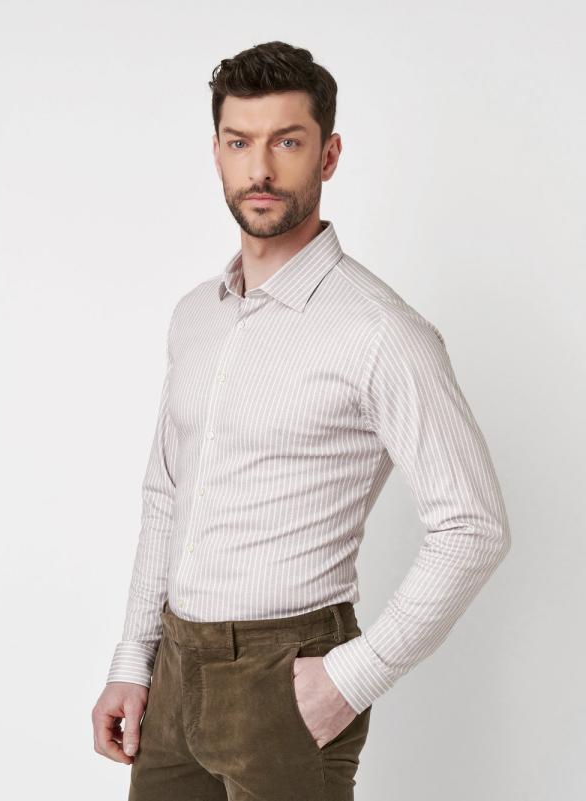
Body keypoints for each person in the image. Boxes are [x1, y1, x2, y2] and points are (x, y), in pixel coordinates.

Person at [91, 40, 511, 801]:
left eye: (287, 142)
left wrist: (352, 677)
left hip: (285, 672)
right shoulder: (195, 315)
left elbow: (473, 526)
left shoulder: (380, 331)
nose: (260, 169)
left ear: (329, 154)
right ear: (216, 154)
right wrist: (133, 659)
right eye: (239, 143)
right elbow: (165, 494)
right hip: (172, 672)